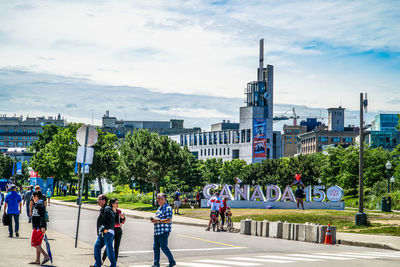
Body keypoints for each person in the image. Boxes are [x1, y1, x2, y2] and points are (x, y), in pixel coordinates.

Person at [91, 194, 116, 267]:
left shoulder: (107, 209)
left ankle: (113, 265)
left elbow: (112, 219)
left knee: (109, 249)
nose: (97, 201)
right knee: (97, 247)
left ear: (104, 200)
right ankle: (98, 264)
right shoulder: (103, 209)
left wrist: (106, 229)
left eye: (99, 199)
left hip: (107, 233)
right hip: (102, 233)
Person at [151, 193, 176, 267]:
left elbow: (168, 220)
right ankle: (156, 264)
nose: (157, 200)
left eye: (159, 198)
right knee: (155, 248)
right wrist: (154, 220)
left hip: (163, 231)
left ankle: (172, 261)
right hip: (157, 231)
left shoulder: (168, 208)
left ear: (163, 199)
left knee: (163, 247)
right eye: (157, 198)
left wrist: (157, 220)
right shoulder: (159, 208)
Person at [102, 198, 125, 264]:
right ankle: (102, 260)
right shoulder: (109, 211)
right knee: (108, 246)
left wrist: (122, 218)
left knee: (116, 248)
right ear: (112, 204)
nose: (117, 204)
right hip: (111, 230)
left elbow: (122, 222)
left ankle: (114, 263)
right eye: (116, 203)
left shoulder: (119, 211)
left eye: (118, 203)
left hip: (118, 230)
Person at [30, 191, 50, 265]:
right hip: (38, 226)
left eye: (33, 197)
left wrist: (42, 226)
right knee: (38, 243)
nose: (32, 198)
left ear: (36, 197)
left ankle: (46, 256)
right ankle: (37, 260)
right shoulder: (38, 204)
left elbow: (42, 217)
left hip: (38, 227)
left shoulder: (39, 205)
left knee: (34, 243)